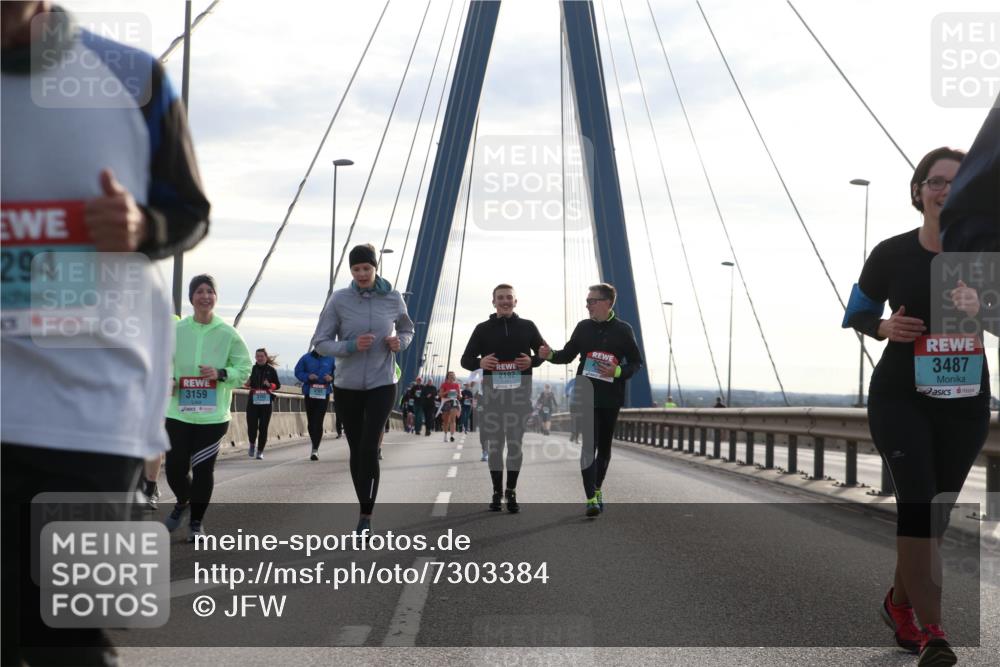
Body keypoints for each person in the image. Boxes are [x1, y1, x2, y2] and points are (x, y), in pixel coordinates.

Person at [1, 3, 210, 663]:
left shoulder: (132, 77)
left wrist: (141, 227)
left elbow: (190, 212)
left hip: (91, 412)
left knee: (66, 635)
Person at [844, 146, 988, 666]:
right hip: (900, 396)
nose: (944, 189)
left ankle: (898, 602)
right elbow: (857, 310)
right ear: (918, 190)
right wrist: (882, 326)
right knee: (919, 505)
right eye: (935, 181)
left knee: (937, 514)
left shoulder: (983, 254)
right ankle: (935, 633)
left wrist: (985, 305)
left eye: (955, 181)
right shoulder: (892, 252)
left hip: (965, 402)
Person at [312, 243, 413, 533]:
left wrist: (400, 342)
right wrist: (350, 346)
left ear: (375, 268)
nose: (361, 274)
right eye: (356, 269)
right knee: (357, 449)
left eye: (366, 268)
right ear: (351, 271)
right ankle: (363, 507)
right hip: (348, 386)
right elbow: (321, 341)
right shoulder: (339, 300)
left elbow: (407, 330)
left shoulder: (393, 297)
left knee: (370, 446)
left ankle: (366, 515)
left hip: (382, 382)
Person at [540, 283, 643, 518]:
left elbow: (636, 363)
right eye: (587, 301)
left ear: (607, 302)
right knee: (589, 447)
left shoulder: (623, 330)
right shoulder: (583, 327)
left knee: (604, 449)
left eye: (592, 301)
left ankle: (597, 488)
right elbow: (566, 355)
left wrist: (617, 372)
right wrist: (550, 355)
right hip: (585, 395)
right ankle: (591, 499)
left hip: (610, 398)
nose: (588, 305)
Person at [164, 275, 251, 541]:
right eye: (199, 291)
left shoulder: (228, 333)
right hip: (177, 412)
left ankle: (196, 524)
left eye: (210, 291)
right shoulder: (176, 330)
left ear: (216, 297)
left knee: (203, 470)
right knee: (175, 469)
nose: (205, 296)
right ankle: (183, 502)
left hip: (212, 417)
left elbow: (244, 368)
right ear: (191, 298)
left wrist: (221, 372)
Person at [461, 284, 546, 513]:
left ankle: (512, 491)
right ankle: (497, 492)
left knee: (515, 447)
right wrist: (479, 363)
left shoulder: (527, 327)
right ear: (494, 302)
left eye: (509, 297)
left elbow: (544, 352)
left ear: (516, 301)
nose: (505, 301)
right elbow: (465, 359)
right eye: (501, 298)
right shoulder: (482, 329)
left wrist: (533, 361)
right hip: (492, 401)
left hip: (519, 401)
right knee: (496, 447)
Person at [295, 348, 334, 460]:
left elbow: (338, 373)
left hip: (324, 392)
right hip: (309, 392)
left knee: (318, 421)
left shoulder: (331, 358)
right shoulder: (306, 358)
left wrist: (331, 378)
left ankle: (315, 449)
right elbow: (298, 372)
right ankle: (314, 443)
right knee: (311, 422)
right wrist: (308, 377)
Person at [246, 347, 281, 459]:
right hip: (253, 402)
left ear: (266, 357)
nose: (260, 358)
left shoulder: (271, 370)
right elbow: (246, 383)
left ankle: (260, 451)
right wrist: (247, 383)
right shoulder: (251, 369)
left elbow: (278, 385)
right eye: (258, 356)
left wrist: (270, 385)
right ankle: (252, 444)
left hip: (266, 403)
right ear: (255, 357)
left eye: (262, 356)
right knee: (252, 426)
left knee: (263, 427)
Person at [438, 371, 462, 442]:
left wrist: (459, 395)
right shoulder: (444, 384)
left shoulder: (457, 385)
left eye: (453, 375)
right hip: (446, 402)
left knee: (453, 419)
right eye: (450, 375)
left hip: (454, 402)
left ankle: (452, 435)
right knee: (446, 421)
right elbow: (440, 394)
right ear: (447, 376)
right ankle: (445, 435)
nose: (452, 377)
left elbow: (460, 396)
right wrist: (446, 392)